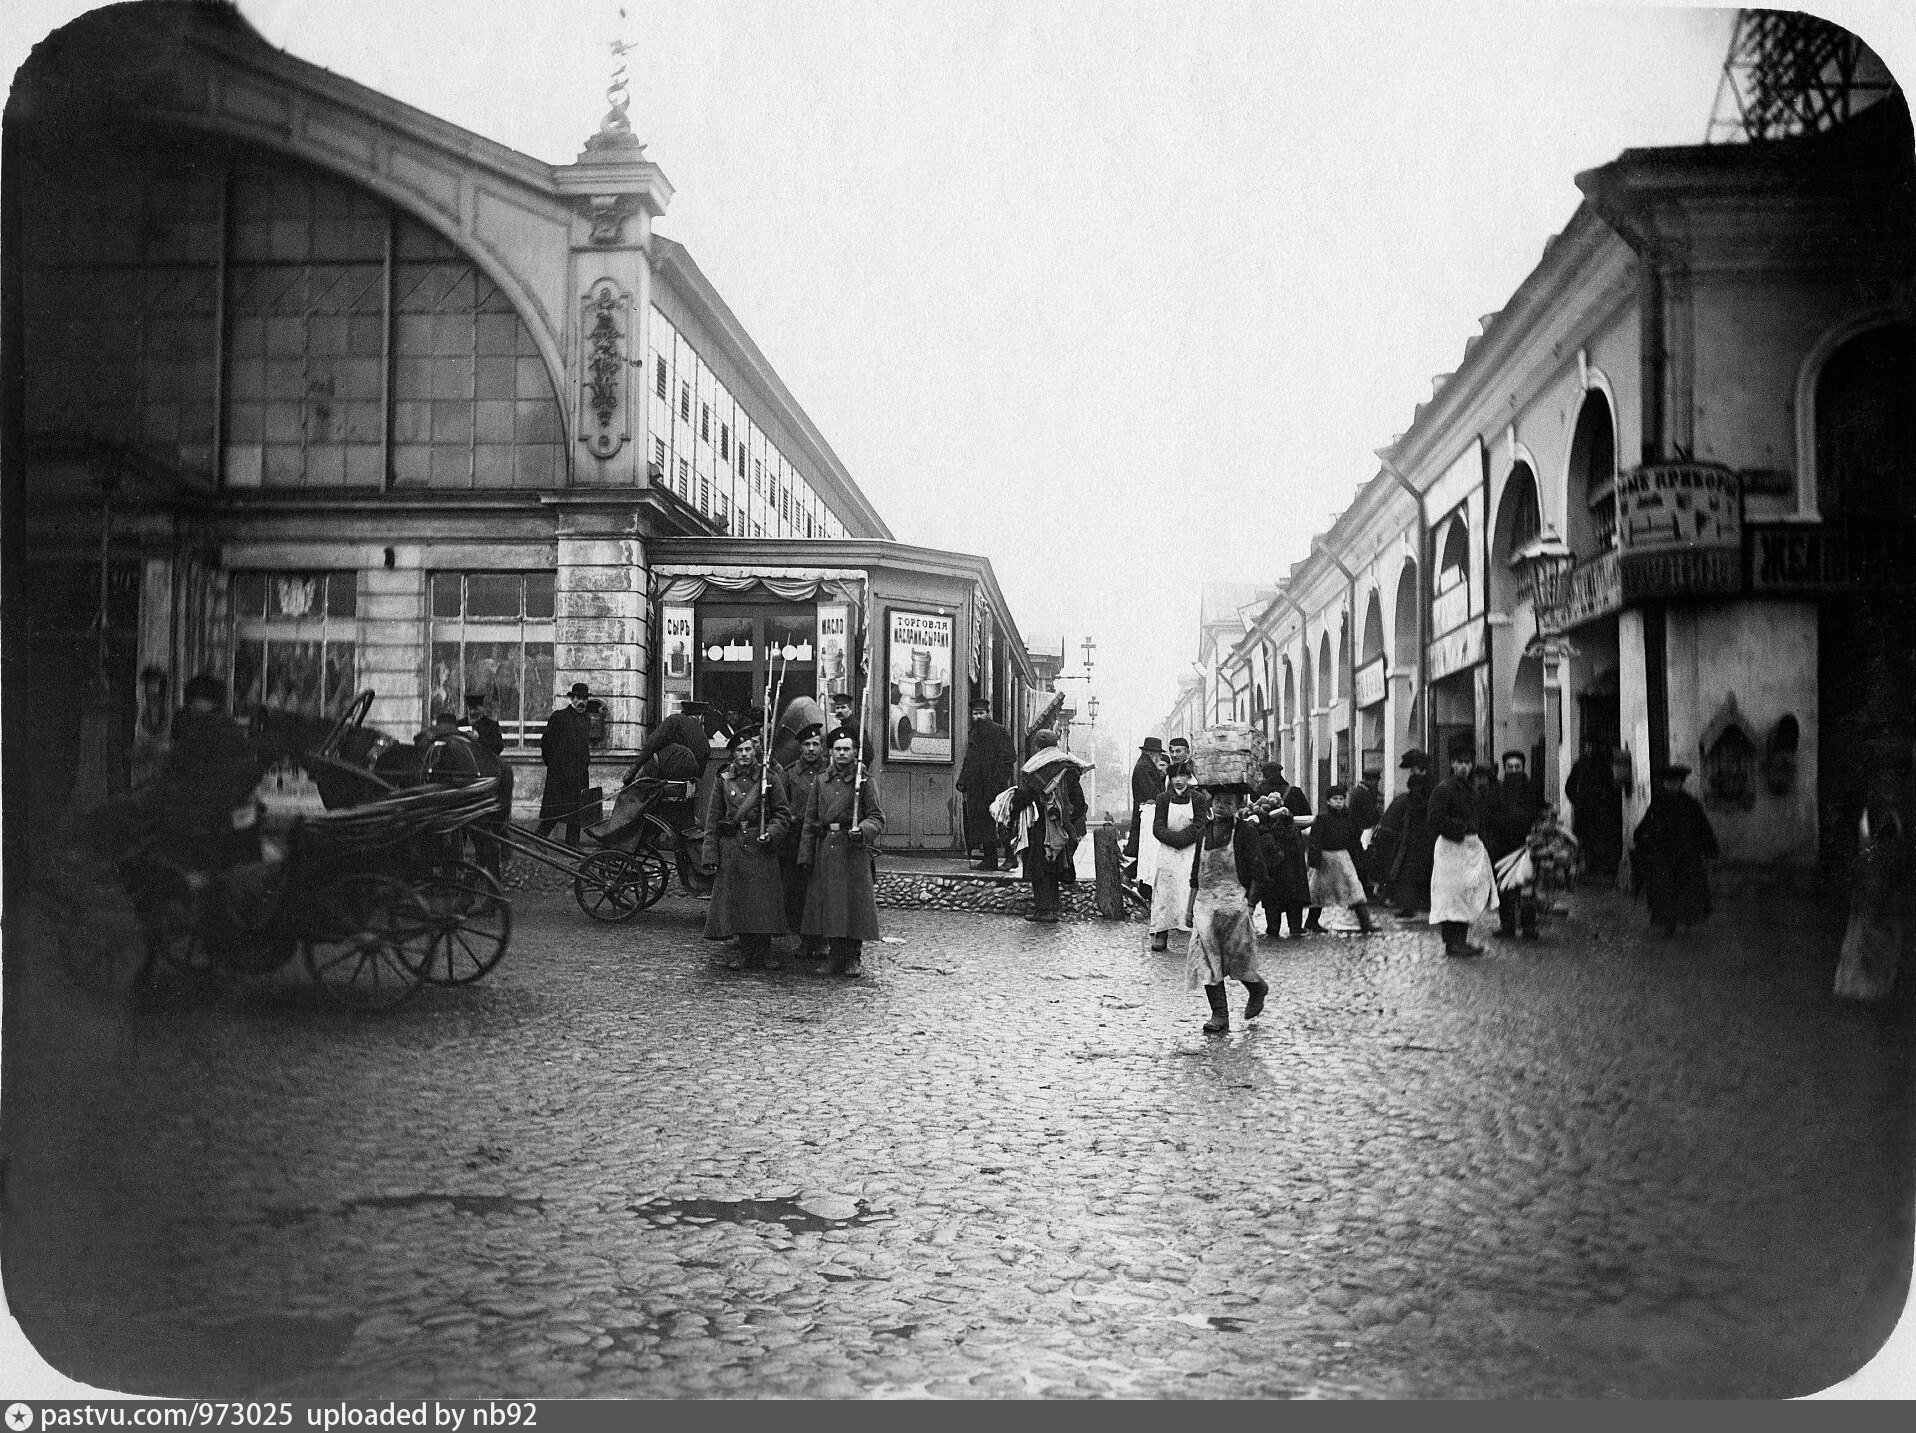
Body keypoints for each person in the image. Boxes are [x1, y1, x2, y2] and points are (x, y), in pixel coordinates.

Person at [148, 672, 265, 871]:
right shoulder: (228, 726)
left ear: (198, 700)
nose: (190, 707)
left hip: (210, 820)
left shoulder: (200, 726)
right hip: (238, 814)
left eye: (192, 702)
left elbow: (179, 768)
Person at [701, 724, 791, 969]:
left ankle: (763, 952)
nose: (743, 754)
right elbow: (713, 819)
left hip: (760, 845)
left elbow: (783, 815)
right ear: (733, 754)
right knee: (739, 902)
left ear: (755, 751)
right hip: (733, 847)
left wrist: (770, 833)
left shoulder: (768, 779)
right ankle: (745, 951)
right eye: (739, 750)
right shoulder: (723, 780)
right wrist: (710, 854)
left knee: (762, 902)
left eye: (748, 749)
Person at [798, 726, 886, 977]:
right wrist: (805, 856)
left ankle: (852, 958)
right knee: (831, 906)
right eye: (837, 749)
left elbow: (877, 817)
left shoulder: (864, 781)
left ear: (855, 752)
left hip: (853, 848)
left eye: (847, 749)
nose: (842, 753)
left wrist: (864, 830)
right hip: (827, 848)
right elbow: (810, 820)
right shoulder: (821, 781)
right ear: (830, 752)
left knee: (854, 906)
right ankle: (835, 956)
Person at [1185, 787, 1271, 1034]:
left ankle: (1256, 988)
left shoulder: (1245, 832)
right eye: (1219, 801)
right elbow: (1195, 874)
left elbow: (1259, 873)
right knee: (1206, 960)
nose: (1222, 806)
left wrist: (1251, 904)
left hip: (1234, 903)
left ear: (1238, 806)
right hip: (1205, 905)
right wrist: (1190, 909)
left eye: (1229, 802)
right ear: (1212, 803)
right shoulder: (1204, 833)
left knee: (1237, 958)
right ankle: (1219, 1014)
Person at [1833, 777, 1907, 1000]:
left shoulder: (1888, 821)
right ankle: (1863, 985)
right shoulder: (1876, 818)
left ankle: (1871, 986)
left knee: (1875, 934)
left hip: (1878, 884)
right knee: (1866, 932)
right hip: (1871, 884)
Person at [1004, 729, 1087, 924]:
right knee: (1056, 864)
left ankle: (1045, 910)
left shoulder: (1037, 767)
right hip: (1061, 824)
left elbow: (1024, 797)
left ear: (1037, 748)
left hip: (1040, 824)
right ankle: (1052, 907)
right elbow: (1080, 802)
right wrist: (1067, 821)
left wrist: (1011, 813)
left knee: (1039, 866)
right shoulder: (1069, 767)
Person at [1426, 739, 1497, 958]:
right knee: (1451, 895)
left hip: (1469, 847)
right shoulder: (1444, 789)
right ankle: (1452, 942)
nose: (1464, 767)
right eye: (1460, 763)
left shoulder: (1472, 790)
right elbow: (1434, 819)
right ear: (1452, 764)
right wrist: (1460, 828)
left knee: (1466, 893)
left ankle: (1460, 940)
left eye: (1468, 763)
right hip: (1451, 848)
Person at [1631, 763, 1718, 938]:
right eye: (1668, 782)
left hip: (1686, 855)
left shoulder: (1690, 804)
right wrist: (1641, 837)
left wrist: (1710, 847)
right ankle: (1669, 923)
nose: (1671, 785)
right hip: (1663, 856)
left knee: (1684, 890)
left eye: (1675, 781)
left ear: (1680, 783)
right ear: (1664, 783)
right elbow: (1645, 825)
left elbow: (1702, 826)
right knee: (1665, 891)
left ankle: (1683, 919)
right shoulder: (1658, 804)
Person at [422, 711, 509, 879]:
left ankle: (457, 877)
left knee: (475, 839)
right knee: (479, 839)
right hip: (467, 791)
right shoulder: (458, 742)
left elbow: (497, 746)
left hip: (460, 796)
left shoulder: (443, 743)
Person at [780, 722, 831, 960]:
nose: (811, 749)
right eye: (807, 745)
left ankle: (821, 939)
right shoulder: (790, 774)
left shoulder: (830, 773)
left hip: (822, 838)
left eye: (815, 744)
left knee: (820, 890)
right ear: (800, 748)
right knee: (797, 891)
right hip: (796, 839)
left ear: (822, 748)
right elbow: (779, 805)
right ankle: (803, 938)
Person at [1486, 751, 1542, 939]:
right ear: (1504, 769)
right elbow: (1490, 816)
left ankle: (1529, 926)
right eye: (1510, 767)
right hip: (1504, 846)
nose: (1514, 770)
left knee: (1527, 888)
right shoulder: (1497, 791)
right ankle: (1507, 925)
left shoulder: (1532, 789)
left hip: (1527, 846)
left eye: (1517, 767)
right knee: (1505, 889)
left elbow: (1539, 812)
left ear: (1523, 767)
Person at [956, 698, 1018, 871]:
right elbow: (969, 760)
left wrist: (998, 779)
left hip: (995, 787)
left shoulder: (1000, 732)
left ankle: (1011, 857)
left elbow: (1009, 757)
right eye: (975, 714)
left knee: (1001, 821)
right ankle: (990, 859)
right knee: (982, 823)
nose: (978, 717)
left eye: (981, 713)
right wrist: (963, 779)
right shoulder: (973, 734)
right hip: (977, 786)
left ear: (988, 714)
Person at [1306, 783, 1376, 933]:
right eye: (1335, 799)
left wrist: (1358, 858)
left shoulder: (1348, 819)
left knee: (1354, 888)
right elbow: (1315, 840)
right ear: (1328, 801)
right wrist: (1315, 859)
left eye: (1341, 799)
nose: (1338, 802)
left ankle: (1365, 923)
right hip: (1325, 859)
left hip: (1343, 858)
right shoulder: (1323, 819)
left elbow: (1353, 840)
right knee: (1319, 892)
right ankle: (1311, 921)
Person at [1147, 761, 1203, 950]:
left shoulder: (1197, 798)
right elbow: (1158, 826)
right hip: (1168, 851)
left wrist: (1184, 838)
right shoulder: (1163, 798)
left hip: (1190, 850)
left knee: (1189, 890)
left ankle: (1196, 935)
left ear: (1189, 778)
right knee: (1165, 891)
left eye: (1182, 776)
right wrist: (1173, 839)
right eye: (1174, 777)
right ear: (1170, 779)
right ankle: (1161, 932)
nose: (1178, 781)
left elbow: (1200, 824)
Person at [537, 682, 595, 845]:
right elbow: (546, 743)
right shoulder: (559, 717)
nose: (581, 702)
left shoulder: (585, 720)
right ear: (572, 698)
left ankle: (573, 845)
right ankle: (539, 839)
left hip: (579, 774)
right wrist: (554, 765)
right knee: (555, 811)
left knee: (577, 812)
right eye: (578, 698)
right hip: (561, 775)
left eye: (584, 698)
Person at [1245, 795, 1310, 940]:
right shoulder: (1291, 829)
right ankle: (1295, 928)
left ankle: (1274, 930)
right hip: (1293, 879)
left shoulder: (1261, 832)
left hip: (1272, 880)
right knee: (1294, 907)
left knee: (1272, 910)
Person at [1565, 735, 1623, 884]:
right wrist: (1575, 800)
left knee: (1599, 837)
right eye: (1587, 746)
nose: (1589, 749)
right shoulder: (1580, 764)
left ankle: (1597, 866)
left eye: (1592, 746)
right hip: (1583, 808)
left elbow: (1611, 785)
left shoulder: (1603, 765)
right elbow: (1570, 785)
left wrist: (1606, 802)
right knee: (1582, 838)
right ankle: (1586, 867)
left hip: (1599, 809)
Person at [1387, 748, 1435, 917]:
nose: (1411, 772)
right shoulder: (1426, 783)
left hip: (1422, 835)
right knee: (1412, 871)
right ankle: (1413, 905)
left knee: (1414, 871)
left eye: (1413, 768)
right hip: (1418, 834)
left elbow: (1421, 807)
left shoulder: (1423, 785)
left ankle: (1416, 905)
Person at [1125, 737, 1169, 891]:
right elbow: (1151, 793)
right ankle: (1129, 877)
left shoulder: (1145, 765)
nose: (1159, 757)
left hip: (1145, 813)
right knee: (1147, 852)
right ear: (1152, 753)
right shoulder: (1145, 767)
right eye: (1157, 753)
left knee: (1145, 853)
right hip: (1147, 814)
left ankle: (1132, 878)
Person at [129, 665, 173, 793]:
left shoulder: (169, 713)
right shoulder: (140, 711)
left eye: (156, 687)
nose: (152, 693)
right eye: (149, 688)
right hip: (143, 771)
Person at [1349, 766, 1384, 891]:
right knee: (1363, 858)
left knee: (1361, 858)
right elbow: (1370, 815)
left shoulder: (1360, 791)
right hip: (1363, 831)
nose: (1377, 784)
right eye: (1376, 781)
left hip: (1359, 830)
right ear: (1372, 780)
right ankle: (1363, 886)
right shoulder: (1364, 793)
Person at [826, 691, 878, 768]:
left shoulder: (855, 726)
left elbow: (868, 753)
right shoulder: (836, 724)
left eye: (843, 707)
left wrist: (859, 767)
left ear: (850, 709)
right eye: (837, 708)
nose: (839, 711)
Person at [463, 692, 505, 757]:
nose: (472, 711)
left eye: (475, 708)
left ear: (482, 709)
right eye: (470, 708)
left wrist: (479, 739)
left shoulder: (491, 725)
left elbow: (498, 747)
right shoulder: (461, 724)